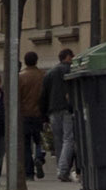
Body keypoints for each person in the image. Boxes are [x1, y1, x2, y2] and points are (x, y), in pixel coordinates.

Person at [42, 47, 77, 181]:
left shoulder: (50, 73)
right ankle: (63, 170)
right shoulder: (71, 70)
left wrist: (44, 114)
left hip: (53, 110)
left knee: (58, 139)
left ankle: (60, 168)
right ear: (68, 57)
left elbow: (44, 94)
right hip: (67, 109)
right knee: (68, 139)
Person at [19, 50, 46, 179]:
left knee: (26, 144)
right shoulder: (43, 75)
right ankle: (39, 157)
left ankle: (29, 172)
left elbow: (18, 97)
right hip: (39, 113)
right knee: (40, 140)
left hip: (25, 114)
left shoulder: (20, 77)